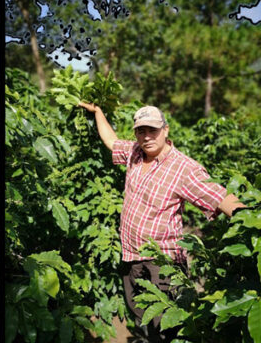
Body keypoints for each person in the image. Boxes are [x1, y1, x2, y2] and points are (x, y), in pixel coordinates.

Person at [78, 102, 245, 342]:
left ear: (165, 130)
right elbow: (111, 141)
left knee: (166, 325)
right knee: (140, 312)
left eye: (152, 130)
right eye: (141, 131)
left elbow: (220, 197)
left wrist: (252, 220)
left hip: (162, 263)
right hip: (131, 254)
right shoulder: (135, 152)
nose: (147, 137)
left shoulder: (184, 168)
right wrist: (98, 113)